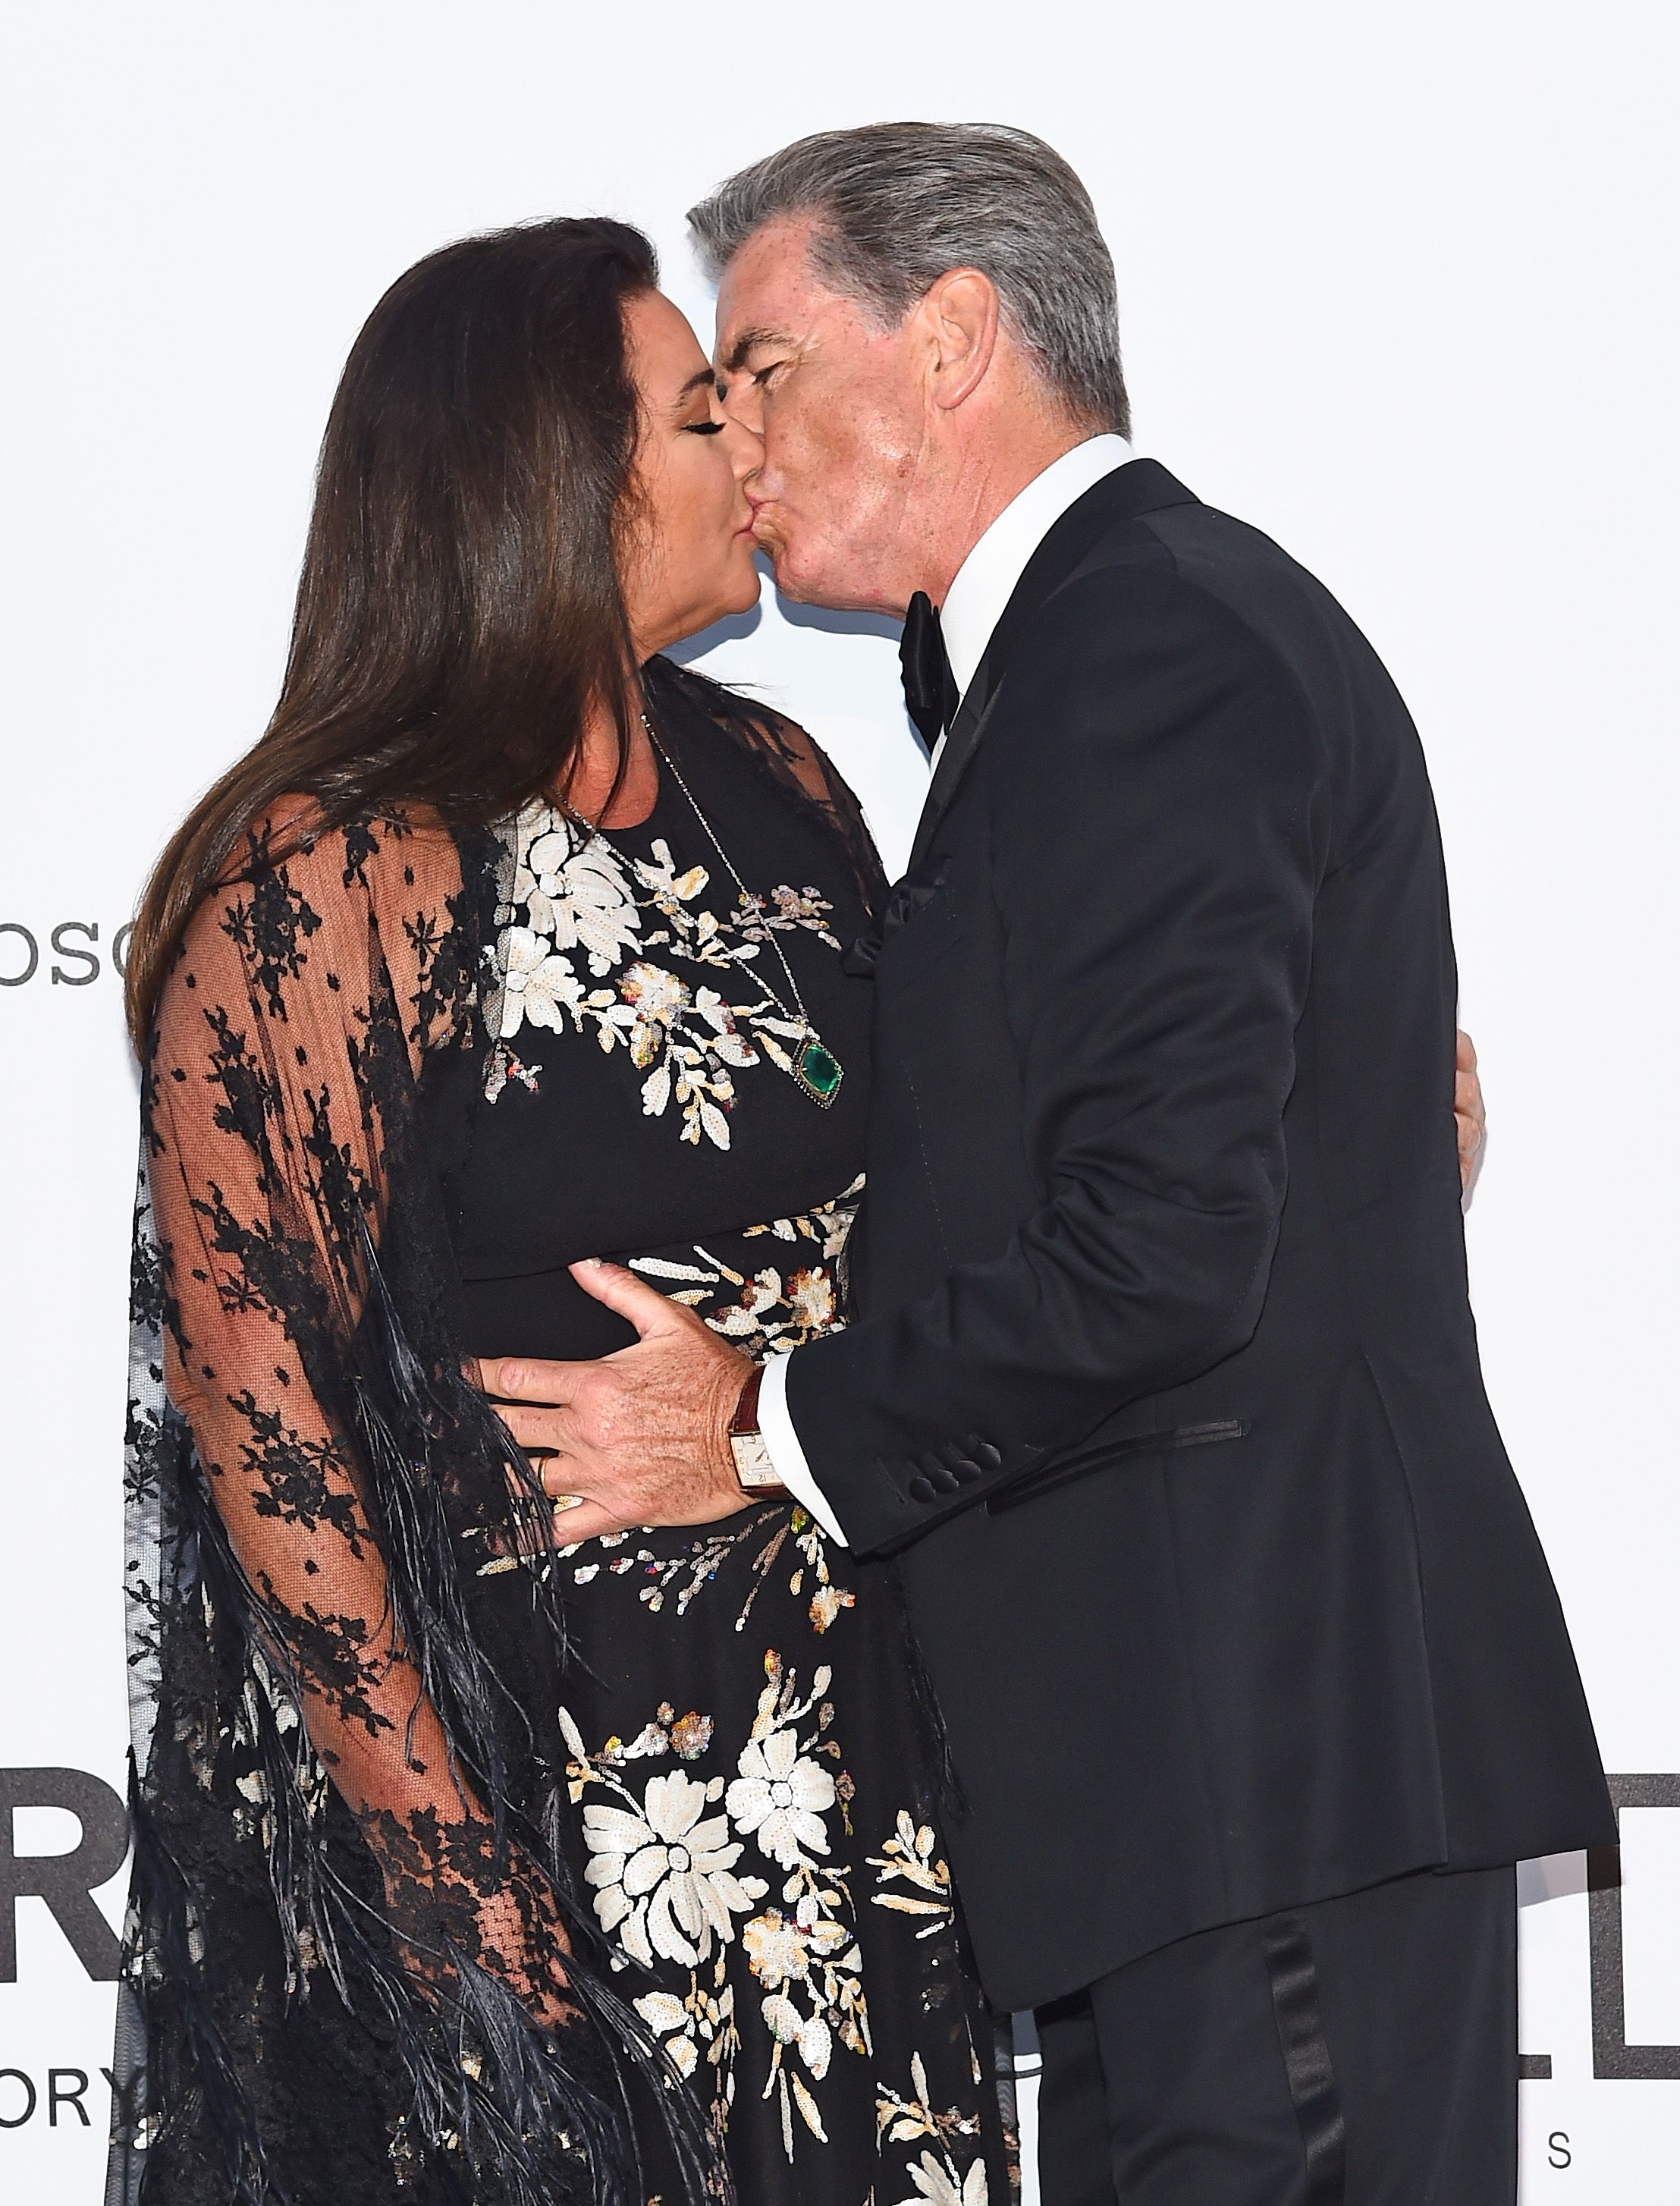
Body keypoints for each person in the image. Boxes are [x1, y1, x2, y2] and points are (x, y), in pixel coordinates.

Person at [489, 125, 1614, 2205]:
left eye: (760, 362)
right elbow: (1191, 1190)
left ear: (952, 340)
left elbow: (1164, 1250)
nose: (733, 432)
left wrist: (753, 1420)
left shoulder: (1142, 654)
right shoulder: (1106, 650)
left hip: (1259, 1772)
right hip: (1187, 1806)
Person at [111, 215, 1013, 2206]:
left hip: (844, 1763)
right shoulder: (340, 858)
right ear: (567, 477)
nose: (752, 453)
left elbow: (947, 1210)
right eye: (705, 411)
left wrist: (1318, 1111)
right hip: (543, 1805)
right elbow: (252, 1374)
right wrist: (442, 1862)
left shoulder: (778, 779)